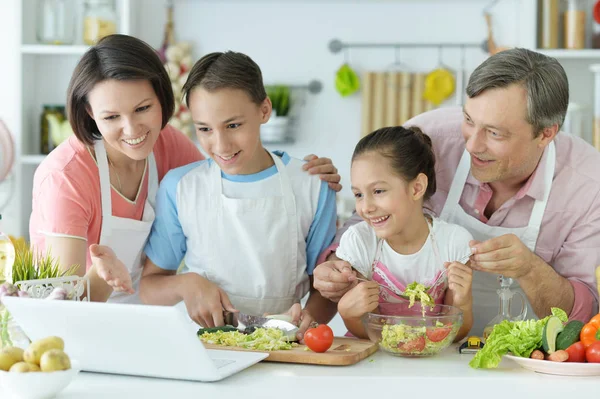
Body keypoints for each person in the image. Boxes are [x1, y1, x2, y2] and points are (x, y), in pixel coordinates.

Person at [29, 35, 341, 304]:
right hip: (81, 326)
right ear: (89, 112)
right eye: (111, 117)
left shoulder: (168, 145)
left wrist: (302, 174)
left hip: (151, 319)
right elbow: (61, 305)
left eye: (143, 109)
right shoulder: (65, 177)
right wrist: (101, 274)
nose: (132, 128)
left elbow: (224, 175)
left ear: (162, 99)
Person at [314, 48, 600, 335]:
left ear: (545, 134)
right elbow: (364, 222)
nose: (473, 145)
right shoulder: (430, 137)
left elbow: (583, 319)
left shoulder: (587, 186)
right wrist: (336, 267)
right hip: (425, 346)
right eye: (469, 120)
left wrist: (530, 269)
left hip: (523, 358)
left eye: (495, 133)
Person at [131, 51, 338, 340]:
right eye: (204, 129)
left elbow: (326, 288)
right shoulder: (180, 187)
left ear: (264, 110)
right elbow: (150, 287)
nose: (221, 145)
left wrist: (310, 318)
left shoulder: (313, 185)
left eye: (233, 125)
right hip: (202, 345)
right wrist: (186, 284)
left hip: (283, 344)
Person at [335, 126, 473, 341]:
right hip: (373, 361)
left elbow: (456, 334)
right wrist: (347, 313)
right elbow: (365, 330)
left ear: (417, 188)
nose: (366, 207)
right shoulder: (360, 240)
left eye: (378, 191)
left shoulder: (453, 242)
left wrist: (462, 301)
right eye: (359, 194)